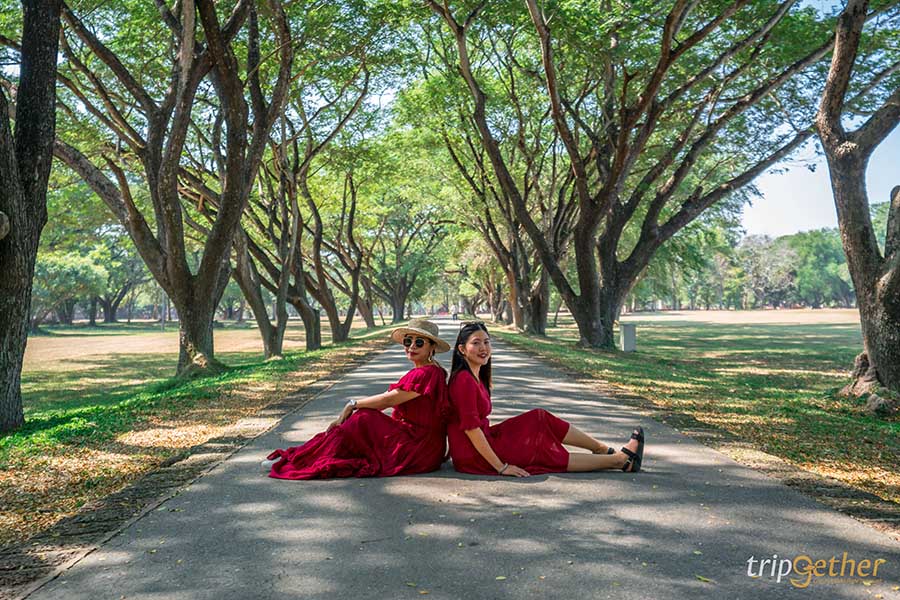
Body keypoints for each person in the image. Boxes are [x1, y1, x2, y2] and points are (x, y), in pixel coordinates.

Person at [447, 321, 645, 477]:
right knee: (541, 449)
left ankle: (602, 449)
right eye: (476, 343)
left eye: (486, 342)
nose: (483, 348)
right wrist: (501, 467)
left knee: (539, 418)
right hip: (472, 454)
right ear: (462, 349)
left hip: (487, 437)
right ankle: (620, 461)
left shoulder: (476, 375)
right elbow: (472, 430)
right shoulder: (463, 381)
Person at [262, 319, 451, 479]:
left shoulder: (427, 374)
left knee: (363, 418)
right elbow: (386, 402)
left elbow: (388, 401)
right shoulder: (429, 370)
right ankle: (306, 455)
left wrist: (352, 405)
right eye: (408, 341)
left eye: (419, 342)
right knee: (362, 419)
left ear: (432, 347)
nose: (411, 346)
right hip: (423, 444)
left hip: (419, 447)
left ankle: (307, 459)